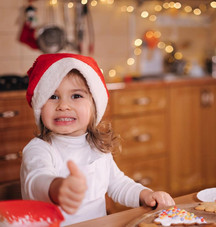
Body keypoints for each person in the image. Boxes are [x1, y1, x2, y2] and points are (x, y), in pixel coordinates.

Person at [20, 53, 175, 226]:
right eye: (53, 97)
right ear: (40, 106)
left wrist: (145, 195)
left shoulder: (96, 147)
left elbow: (118, 184)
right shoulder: (39, 149)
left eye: (76, 96)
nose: (63, 106)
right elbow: (36, 180)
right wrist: (57, 187)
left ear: (94, 107)